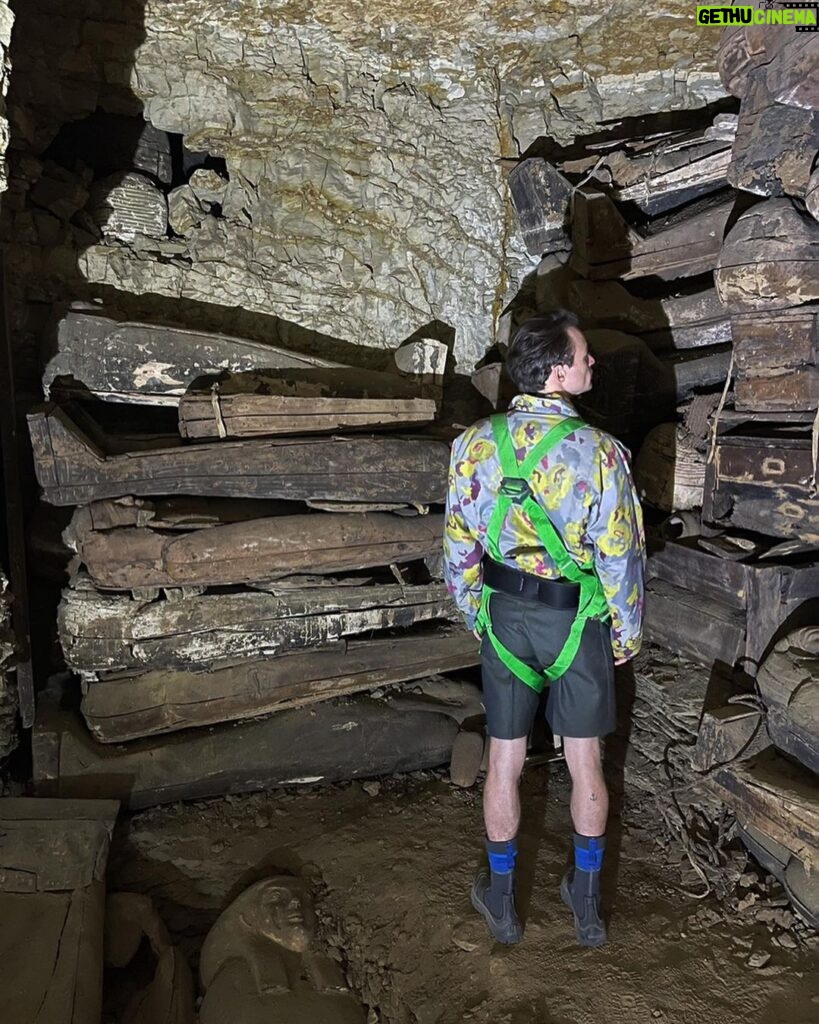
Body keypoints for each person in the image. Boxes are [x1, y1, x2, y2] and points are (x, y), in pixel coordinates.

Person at [443, 311, 645, 948]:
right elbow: (620, 555)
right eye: (583, 356)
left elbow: (458, 545)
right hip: (577, 620)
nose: (591, 364)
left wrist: (475, 608)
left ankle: (502, 903)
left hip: (505, 618)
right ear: (557, 371)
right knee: (586, 763)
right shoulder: (603, 453)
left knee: (504, 760)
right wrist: (625, 632)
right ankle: (586, 908)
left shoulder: (475, 444)